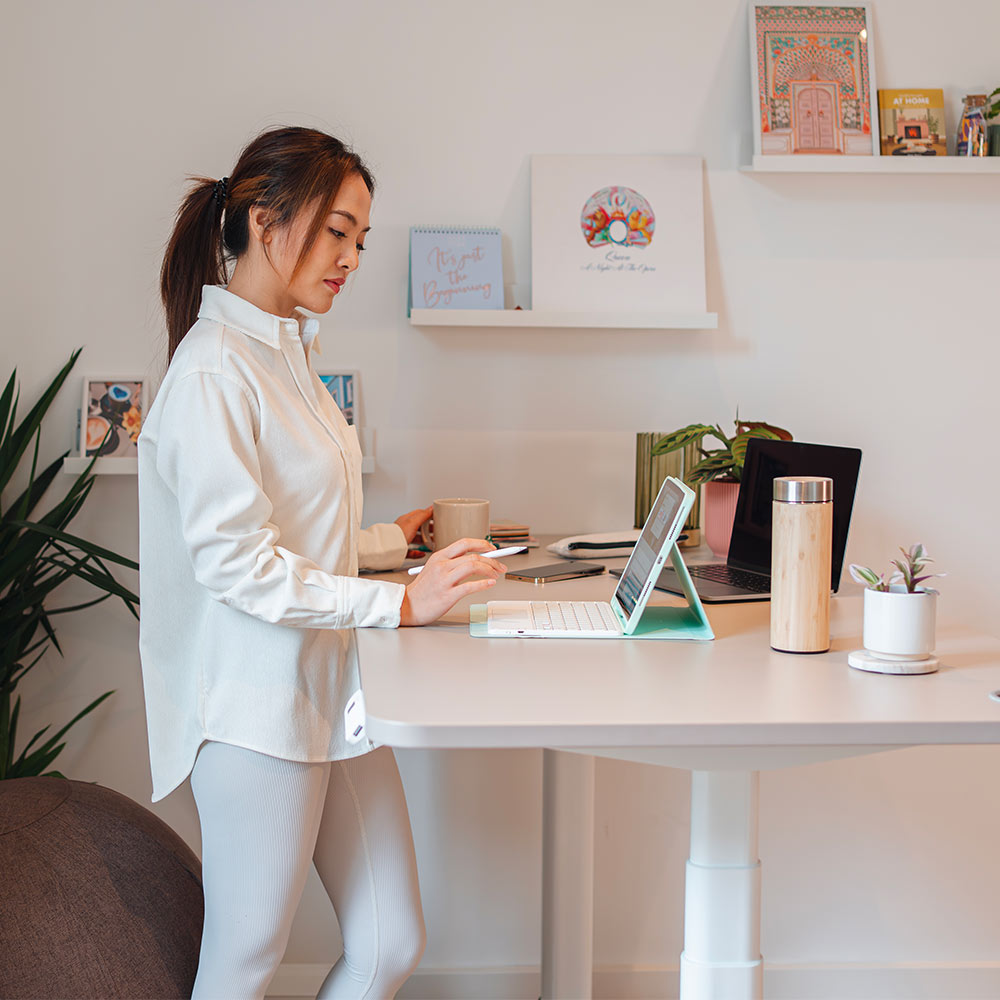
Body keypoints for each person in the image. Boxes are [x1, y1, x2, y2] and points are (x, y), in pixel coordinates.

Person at [138, 126, 506, 1000]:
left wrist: (390, 543)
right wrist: (402, 605)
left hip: (332, 690)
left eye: (360, 241)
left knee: (390, 943)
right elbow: (238, 566)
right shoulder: (212, 370)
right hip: (256, 710)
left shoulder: (289, 351)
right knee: (247, 958)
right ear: (268, 223)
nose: (350, 258)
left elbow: (294, 528)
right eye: (337, 232)